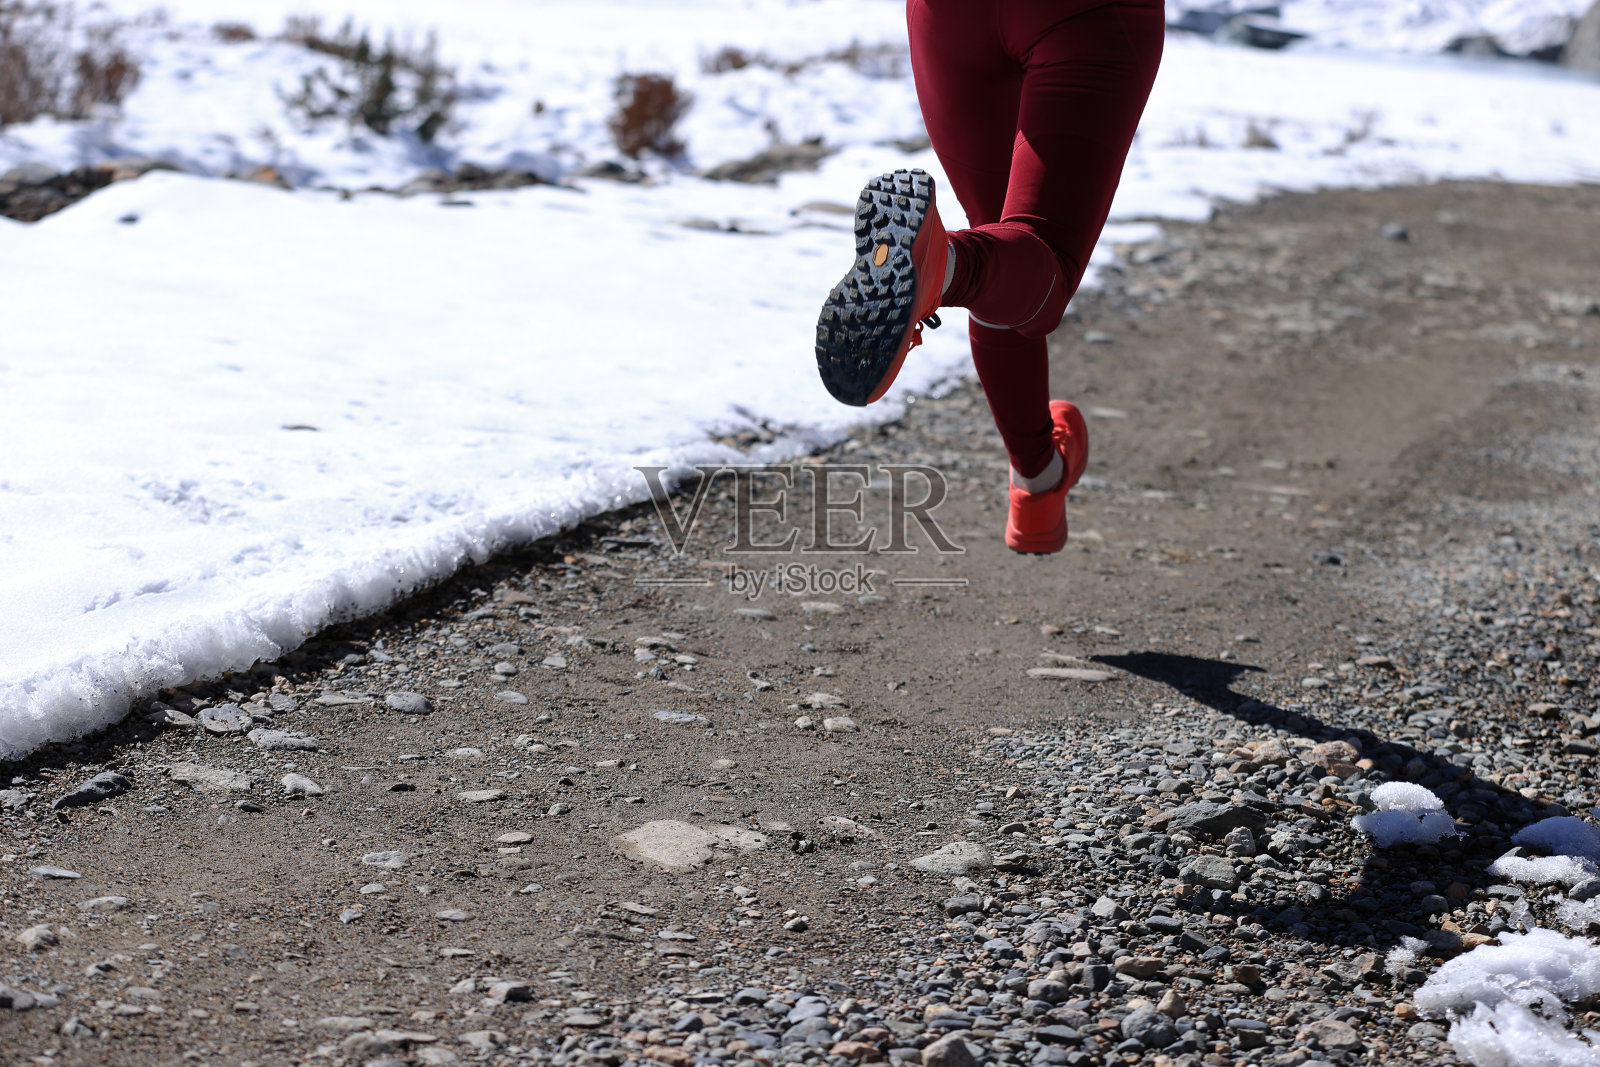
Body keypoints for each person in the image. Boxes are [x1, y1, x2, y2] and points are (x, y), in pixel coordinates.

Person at [815, 0, 1164, 554]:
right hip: (1082, 15)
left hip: (950, 18)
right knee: (1035, 258)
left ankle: (1038, 483)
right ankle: (942, 268)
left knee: (999, 244)